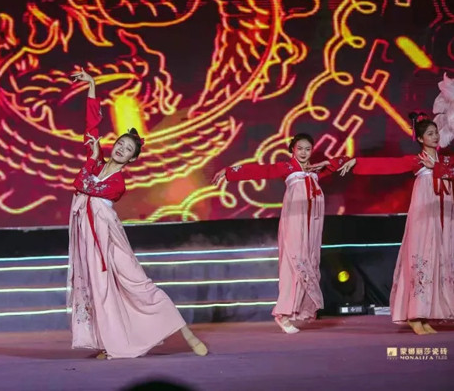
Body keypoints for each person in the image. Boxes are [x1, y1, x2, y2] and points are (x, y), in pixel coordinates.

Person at [67, 68, 208, 359]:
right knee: (98, 288)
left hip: (107, 236)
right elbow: (91, 128)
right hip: (87, 235)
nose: (121, 148)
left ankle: (188, 334)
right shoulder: (95, 163)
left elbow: (85, 185)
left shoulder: (117, 182)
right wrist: (92, 87)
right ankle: (110, 342)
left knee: (137, 283)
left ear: (131, 158)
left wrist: (90, 164)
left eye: (127, 148)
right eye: (120, 144)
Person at [213, 134, 349, 333]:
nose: (304, 152)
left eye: (308, 149)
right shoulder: (287, 168)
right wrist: (229, 172)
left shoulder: (315, 170)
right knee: (294, 262)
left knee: (310, 262)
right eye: (300, 148)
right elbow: (260, 170)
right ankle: (283, 314)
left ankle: (299, 310)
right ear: (292, 149)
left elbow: (342, 161)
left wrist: (330, 162)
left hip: (313, 221)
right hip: (295, 219)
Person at [337, 114, 454, 334]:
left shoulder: (446, 162)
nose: (435, 136)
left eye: (436, 133)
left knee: (439, 262)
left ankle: (427, 315)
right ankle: (415, 315)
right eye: (430, 134)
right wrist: (357, 162)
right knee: (421, 261)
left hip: (444, 218)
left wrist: (439, 169)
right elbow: (387, 165)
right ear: (420, 139)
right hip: (423, 218)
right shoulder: (417, 161)